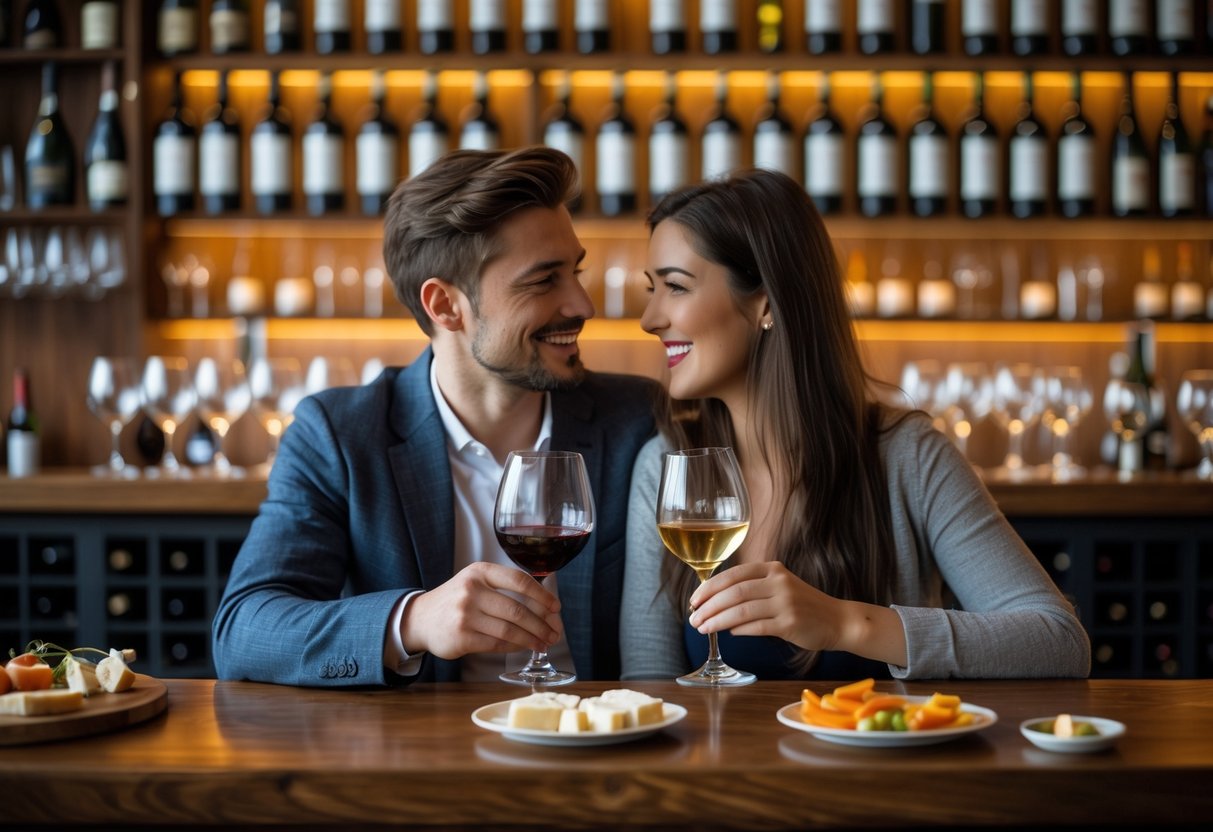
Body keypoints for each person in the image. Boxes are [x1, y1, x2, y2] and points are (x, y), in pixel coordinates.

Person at [213, 147, 659, 686]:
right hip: (424, 756)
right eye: (545, 280)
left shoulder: (638, 419)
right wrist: (414, 620)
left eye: (576, 272)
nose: (583, 304)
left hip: (595, 747)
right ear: (445, 306)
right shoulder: (339, 435)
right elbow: (243, 631)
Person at [621, 169, 1090, 681]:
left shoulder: (906, 454)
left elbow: (1059, 642)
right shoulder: (666, 465)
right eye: (653, 289)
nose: (650, 318)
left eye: (674, 287)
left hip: (876, 762)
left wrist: (846, 622)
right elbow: (650, 685)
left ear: (765, 303)